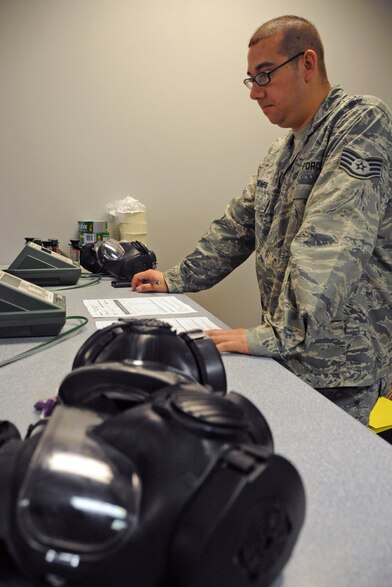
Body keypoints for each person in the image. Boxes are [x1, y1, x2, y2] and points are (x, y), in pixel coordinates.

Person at [131, 15, 392, 426]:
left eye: (265, 75)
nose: (254, 92)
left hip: (340, 367)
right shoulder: (281, 151)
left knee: (324, 475)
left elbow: (332, 240)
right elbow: (236, 227)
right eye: (250, 79)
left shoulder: (360, 122)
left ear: (307, 64)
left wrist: (276, 334)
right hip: (289, 352)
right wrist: (175, 278)